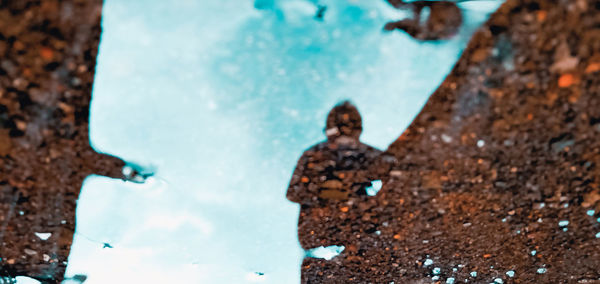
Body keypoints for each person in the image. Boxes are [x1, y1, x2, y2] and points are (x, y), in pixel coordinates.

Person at [287, 100, 394, 251]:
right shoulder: (314, 155)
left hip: (359, 238)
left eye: (349, 127)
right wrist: (327, 190)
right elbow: (293, 193)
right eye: (342, 127)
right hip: (325, 239)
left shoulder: (371, 156)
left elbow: (398, 180)